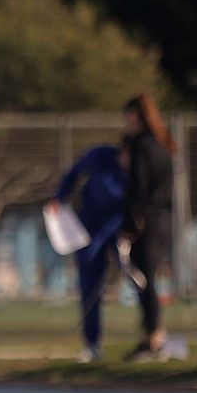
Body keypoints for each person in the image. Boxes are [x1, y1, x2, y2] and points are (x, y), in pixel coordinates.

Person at [50, 141, 127, 362]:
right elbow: (74, 173)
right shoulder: (100, 156)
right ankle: (91, 343)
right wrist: (60, 197)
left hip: (119, 226)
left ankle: (151, 336)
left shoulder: (136, 171)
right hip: (90, 228)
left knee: (138, 277)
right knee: (90, 283)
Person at [121, 94, 176, 360]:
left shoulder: (141, 146)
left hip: (148, 220)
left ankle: (153, 334)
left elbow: (138, 187)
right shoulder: (163, 143)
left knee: (145, 278)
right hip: (163, 218)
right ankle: (151, 332)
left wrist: (132, 221)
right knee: (148, 276)